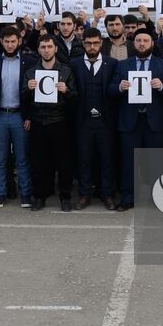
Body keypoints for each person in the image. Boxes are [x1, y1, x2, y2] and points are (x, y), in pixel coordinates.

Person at [109, 29, 163, 210]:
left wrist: (162, 86)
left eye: (145, 40)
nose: (142, 44)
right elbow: (110, 89)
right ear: (133, 43)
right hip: (130, 121)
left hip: (155, 121)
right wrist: (120, 87)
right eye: (138, 41)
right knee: (129, 163)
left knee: (156, 162)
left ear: (152, 43)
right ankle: (128, 198)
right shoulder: (122, 65)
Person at [22, 34, 77, 211]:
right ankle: (39, 195)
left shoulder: (66, 71)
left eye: (49, 47)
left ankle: (65, 196)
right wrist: (28, 90)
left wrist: (66, 90)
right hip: (38, 121)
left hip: (59, 121)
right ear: (38, 49)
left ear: (56, 49)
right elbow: (22, 98)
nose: (46, 50)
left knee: (64, 162)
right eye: (43, 47)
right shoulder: (31, 72)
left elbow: (76, 99)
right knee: (39, 162)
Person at [0, 25, 34, 209]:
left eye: (13, 41)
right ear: (1, 42)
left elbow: (32, 93)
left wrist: (29, 116)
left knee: (23, 158)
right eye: (7, 41)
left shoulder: (29, 62)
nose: (10, 45)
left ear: (19, 41)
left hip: (20, 116)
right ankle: (0, 193)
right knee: (0, 158)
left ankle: (26, 193)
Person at [70, 27, 117, 210]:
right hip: (83, 121)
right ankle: (84, 194)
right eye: (88, 43)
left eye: (95, 43)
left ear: (101, 43)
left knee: (107, 159)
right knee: (84, 159)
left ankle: (107, 194)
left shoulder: (112, 64)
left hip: (105, 121)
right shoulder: (74, 64)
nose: (92, 46)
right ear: (83, 44)